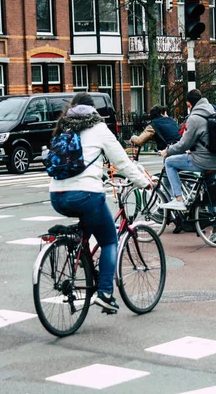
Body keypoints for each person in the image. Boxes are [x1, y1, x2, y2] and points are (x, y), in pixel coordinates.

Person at [49, 92, 152, 311]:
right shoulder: (98, 128)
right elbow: (122, 162)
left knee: (87, 226)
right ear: (93, 110)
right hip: (86, 195)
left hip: (56, 196)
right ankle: (105, 293)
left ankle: (79, 254)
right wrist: (144, 183)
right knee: (109, 240)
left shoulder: (63, 126)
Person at [158, 89, 216, 242]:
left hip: (202, 160)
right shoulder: (213, 110)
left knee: (170, 163)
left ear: (189, 104)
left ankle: (178, 199)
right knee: (210, 193)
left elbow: (183, 145)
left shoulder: (195, 118)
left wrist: (167, 152)